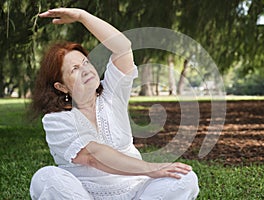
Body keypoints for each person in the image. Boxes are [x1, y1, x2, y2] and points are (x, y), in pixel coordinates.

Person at [29, 8, 199, 200]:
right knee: (45, 178)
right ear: (61, 86)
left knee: (185, 178)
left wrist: (82, 16)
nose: (85, 70)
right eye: (75, 69)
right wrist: (152, 168)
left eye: (86, 62)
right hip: (84, 194)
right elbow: (93, 156)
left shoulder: (112, 93)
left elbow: (122, 47)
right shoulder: (56, 120)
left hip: (137, 191)